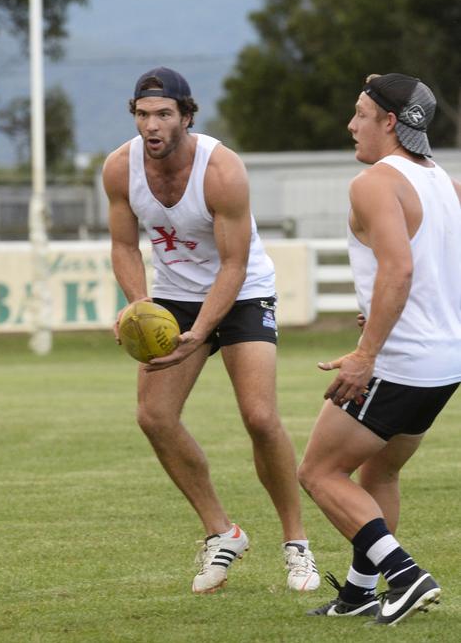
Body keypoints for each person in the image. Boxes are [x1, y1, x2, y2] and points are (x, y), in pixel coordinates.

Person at [103, 66, 319, 594]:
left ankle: (297, 544)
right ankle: (222, 532)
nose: (151, 125)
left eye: (163, 114)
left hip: (242, 292)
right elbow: (125, 246)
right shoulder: (118, 169)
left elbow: (233, 266)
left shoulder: (221, 169)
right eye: (142, 114)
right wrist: (138, 307)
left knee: (261, 417)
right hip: (172, 296)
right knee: (154, 416)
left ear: (187, 117)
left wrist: (201, 332)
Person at [299, 73, 461, 626]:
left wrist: (366, 354)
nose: (351, 125)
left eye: (360, 114)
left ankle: (406, 575)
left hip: (398, 364)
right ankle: (361, 592)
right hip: (443, 364)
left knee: (319, 473)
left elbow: (400, 268)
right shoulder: (443, 180)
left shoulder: (373, 183)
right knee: (380, 476)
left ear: (390, 123)